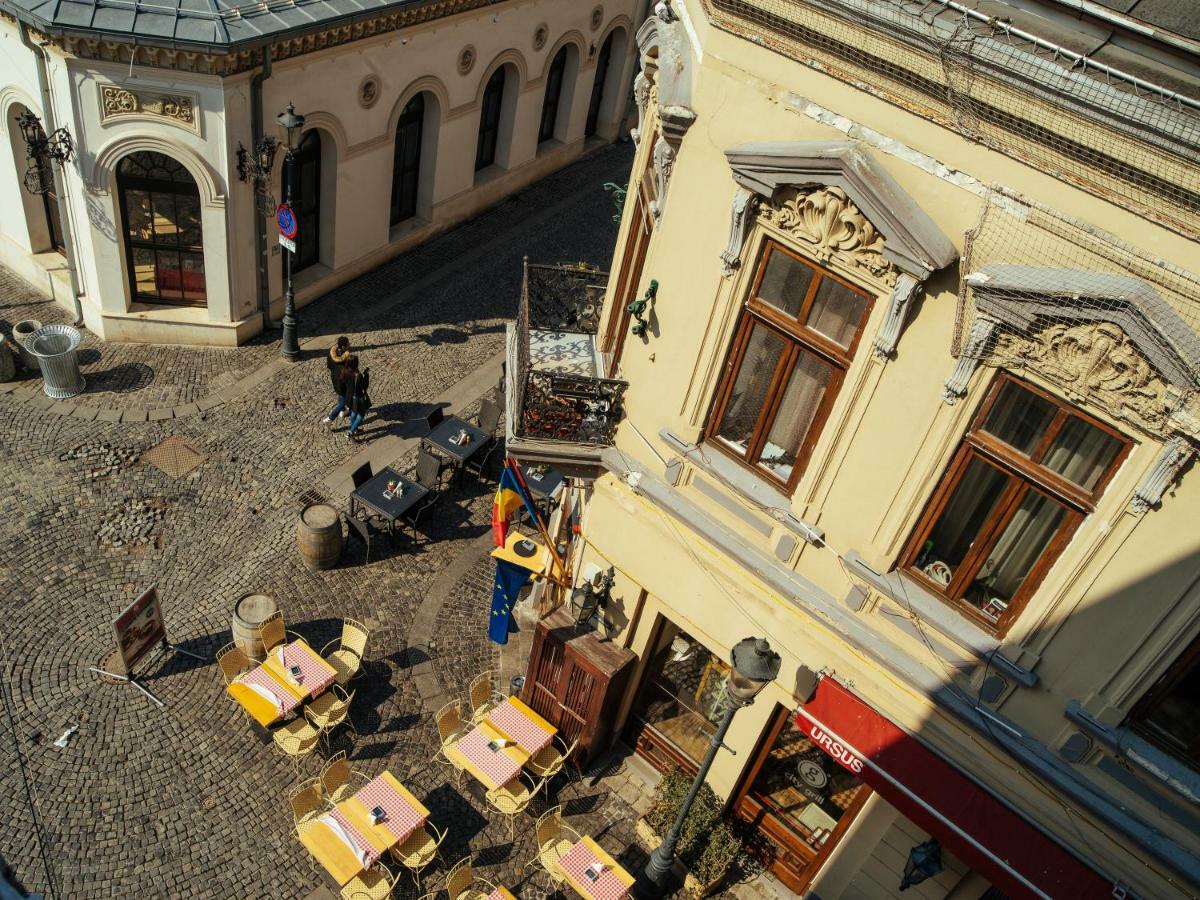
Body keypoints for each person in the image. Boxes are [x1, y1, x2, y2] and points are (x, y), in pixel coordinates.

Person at [322, 337, 351, 425]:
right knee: (343, 401)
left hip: (334, 379)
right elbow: (348, 373)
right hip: (342, 382)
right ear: (343, 346)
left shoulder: (331, 353)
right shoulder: (346, 358)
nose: (349, 345)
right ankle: (330, 418)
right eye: (347, 344)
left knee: (340, 394)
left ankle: (343, 411)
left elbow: (329, 366)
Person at [342, 356, 371, 439]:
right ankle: (351, 431)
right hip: (358, 398)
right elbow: (364, 386)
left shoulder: (345, 371)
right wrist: (366, 375)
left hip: (349, 397)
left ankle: (355, 430)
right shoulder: (357, 375)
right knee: (361, 415)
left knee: (353, 412)